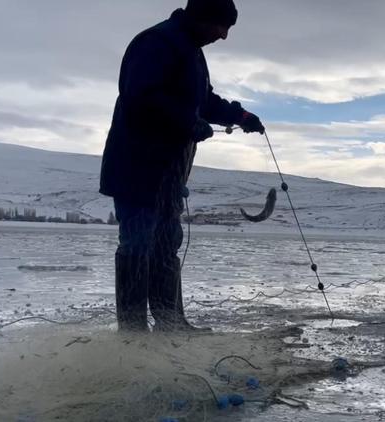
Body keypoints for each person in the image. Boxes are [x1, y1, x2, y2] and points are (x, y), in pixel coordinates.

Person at [99, 0, 265, 331]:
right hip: (137, 168)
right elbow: (140, 96)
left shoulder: (190, 51)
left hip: (168, 175)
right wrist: (187, 123)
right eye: (222, 27)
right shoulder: (157, 42)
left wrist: (239, 116)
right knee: (137, 245)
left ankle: (171, 323)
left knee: (165, 246)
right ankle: (132, 332)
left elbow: (202, 101)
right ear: (202, 17)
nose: (223, 36)